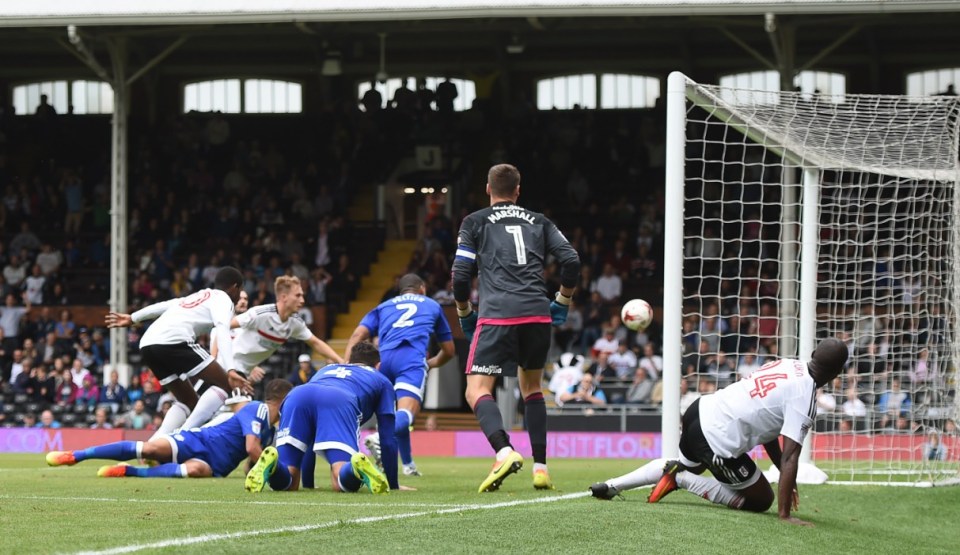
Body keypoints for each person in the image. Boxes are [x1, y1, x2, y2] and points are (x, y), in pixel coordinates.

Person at [589, 337, 849, 527]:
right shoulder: (805, 398)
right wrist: (785, 514)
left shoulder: (788, 364)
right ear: (837, 373)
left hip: (699, 409)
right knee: (761, 499)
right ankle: (679, 479)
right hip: (715, 439)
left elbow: (770, 428)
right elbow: (791, 456)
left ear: (813, 352)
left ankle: (612, 485)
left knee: (688, 466)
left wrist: (784, 477)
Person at [451, 163, 581, 492]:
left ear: (487, 189)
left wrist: (464, 310)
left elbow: (461, 273)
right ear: (518, 190)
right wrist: (563, 301)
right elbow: (571, 260)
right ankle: (541, 468)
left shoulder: (474, 221)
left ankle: (504, 450)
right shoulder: (539, 220)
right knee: (533, 389)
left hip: (497, 315)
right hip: (537, 315)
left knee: (476, 389)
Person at [105, 266, 252, 438]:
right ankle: (183, 437)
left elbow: (166, 305)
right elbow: (223, 330)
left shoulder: (200, 295)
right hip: (174, 341)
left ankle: (156, 443)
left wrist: (133, 318)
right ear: (234, 287)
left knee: (189, 401)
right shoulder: (224, 299)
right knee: (226, 385)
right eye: (240, 289)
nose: (240, 295)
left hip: (148, 344)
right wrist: (231, 369)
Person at [46, 379, 292, 480]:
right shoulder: (256, 408)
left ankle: (128, 471)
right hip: (201, 441)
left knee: (194, 470)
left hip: (217, 466)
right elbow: (251, 448)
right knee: (151, 448)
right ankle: (75, 456)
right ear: (283, 400)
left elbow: (253, 465)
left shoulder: (270, 432)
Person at [244, 341, 402, 494]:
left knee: (289, 478)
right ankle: (353, 467)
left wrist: (308, 484)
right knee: (339, 476)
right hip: (339, 399)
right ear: (378, 366)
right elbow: (388, 438)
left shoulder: (327, 369)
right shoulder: (382, 380)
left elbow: (309, 435)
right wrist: (393, 484)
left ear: (348, 361)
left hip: (298, 394)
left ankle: (274, 466)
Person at [346, 273, 455, 477]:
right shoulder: (431, 304)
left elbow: (357, 336)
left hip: (383, 360)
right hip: (411, 358)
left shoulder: (385, 306)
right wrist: (430, 364)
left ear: (401, 290)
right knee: (407, 412)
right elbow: (449, 350)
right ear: (422, 288)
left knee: (394, 413)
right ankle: (379, 438)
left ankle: (408, 464)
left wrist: (347, 365)